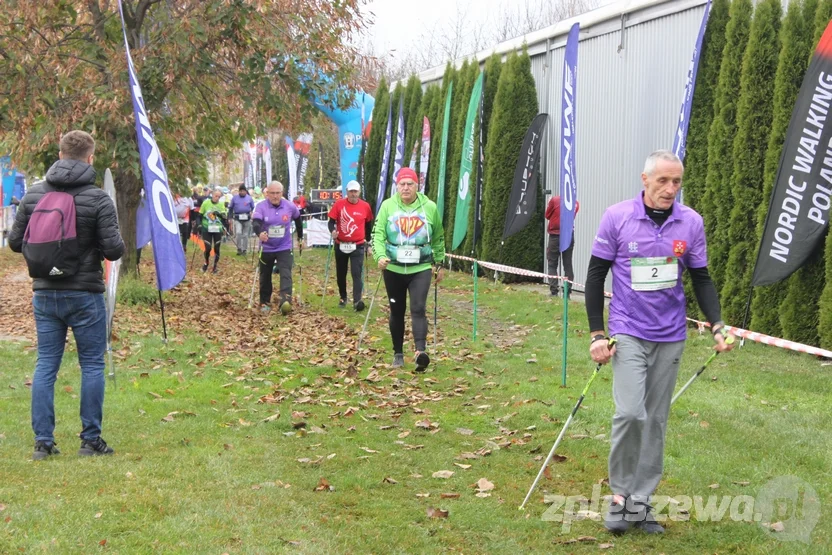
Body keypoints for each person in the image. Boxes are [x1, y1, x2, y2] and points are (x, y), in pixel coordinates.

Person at [585, 150, 735, 535]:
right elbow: (595, 276)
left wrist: (717, 324)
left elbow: (701, 278)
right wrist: (597, 334)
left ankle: (640, 503)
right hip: (628, 329)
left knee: (655, 420)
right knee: (631, 413)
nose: (670, 189)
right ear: (645, 180)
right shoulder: (617, 217)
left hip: (670, 334)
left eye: (677, 181)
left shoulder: (691, 222)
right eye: (663, 181)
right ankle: (619, 496)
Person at [8, 130, 125, 459]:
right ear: (91, 158)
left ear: (59, 154)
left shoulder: (33, 195)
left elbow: (16, 243)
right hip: (84, 292)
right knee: (91, 365)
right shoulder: (98, 198)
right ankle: (90, 441)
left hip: (45, 293)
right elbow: (114, 250)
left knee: (46, 364)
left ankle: (43, 443)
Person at [372, 167, 444, 371]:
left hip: (420, 267)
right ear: (397, 186)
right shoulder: (387, 206)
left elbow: (438, 236)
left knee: (418, 308)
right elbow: (377, 235)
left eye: (410, 184)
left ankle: (421, 353)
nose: (406, 188)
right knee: (397, 310)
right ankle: (398, 353)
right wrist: (379, 256)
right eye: (402, 184)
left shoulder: (429, 207)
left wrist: (439, 263)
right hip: (393, 267)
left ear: (416, 186)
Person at [253, 181, 303, 314]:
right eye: (272, 193)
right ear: (267, 193)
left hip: (284, 247)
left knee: (285, 273)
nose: (275, 196)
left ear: (282, 193)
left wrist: (300, 237)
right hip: (267, 247)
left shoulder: (289, 206)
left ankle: (285, 302)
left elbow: (298, 219)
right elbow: (256, 222)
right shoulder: (261, 206)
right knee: (265, 276)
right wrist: (260, 233)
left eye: (278, 193)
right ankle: (265, 302)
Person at [328, 180, 373, 311]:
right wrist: (333, 231)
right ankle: (343, 297)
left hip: (357, 245)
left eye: (356, 191)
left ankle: (357, 301)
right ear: (347, 192)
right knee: (341, 273)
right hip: (341, 244)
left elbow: (368, 225)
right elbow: (331, 222)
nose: (353, 194)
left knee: (356, 273)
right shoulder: (339, 204)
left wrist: (368, 242)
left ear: (359, 192)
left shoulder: (365, 206)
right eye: (351, 191)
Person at [545, 194, 579, 298]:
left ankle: (554, 292)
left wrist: (549, 204)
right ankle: (567, 294)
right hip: (568, 235)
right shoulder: (575, 202)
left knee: (552, 263)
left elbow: (547, 215)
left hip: (555, 235)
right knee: (568, 264)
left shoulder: (554, 200)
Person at [199, 188, 228, 273]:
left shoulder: (221, 204)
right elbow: (199, 215)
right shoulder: (206, 203)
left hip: (217, 228)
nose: (217, 198)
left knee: (217, 248)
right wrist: (199, 225)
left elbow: (224, 217)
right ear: (212, 195)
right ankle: (206, 263)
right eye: (216, 196)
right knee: (208, 248)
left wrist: (219, 214)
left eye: (219, 197)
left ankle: (215, 267)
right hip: (206, 228)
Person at [229, 184, 255, 255]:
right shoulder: (235, 198)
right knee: (238, 233)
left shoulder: (249, 198)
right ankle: (239, 248)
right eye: (241, 191)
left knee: (245, 235)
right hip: (237, 218)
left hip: (247, 218)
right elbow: (230, 208)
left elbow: (253, 207)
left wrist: (251, 213)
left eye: (243, 191)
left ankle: (244, 249)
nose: (242, 192)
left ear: (246, 191)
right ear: (239, 191)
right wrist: (230, 217)